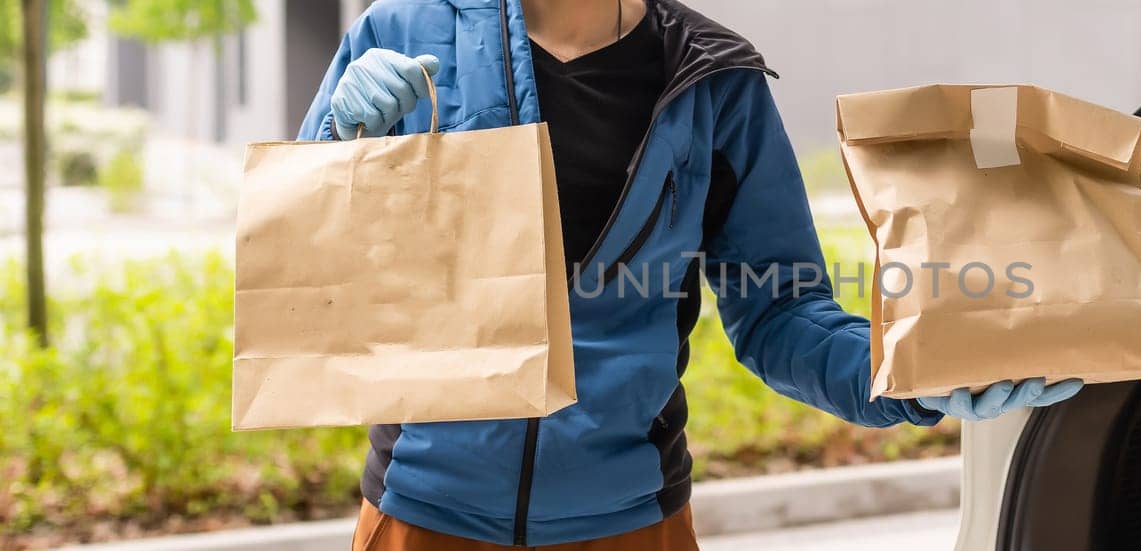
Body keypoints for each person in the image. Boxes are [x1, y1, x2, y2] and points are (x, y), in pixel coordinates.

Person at [300, 0, 1083, 549]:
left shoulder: (715, 81)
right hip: (425, 514)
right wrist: (336, 133)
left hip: (633, 522)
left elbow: (781, 311)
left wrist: (909, 371)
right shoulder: (404, 31)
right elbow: (305, 252)